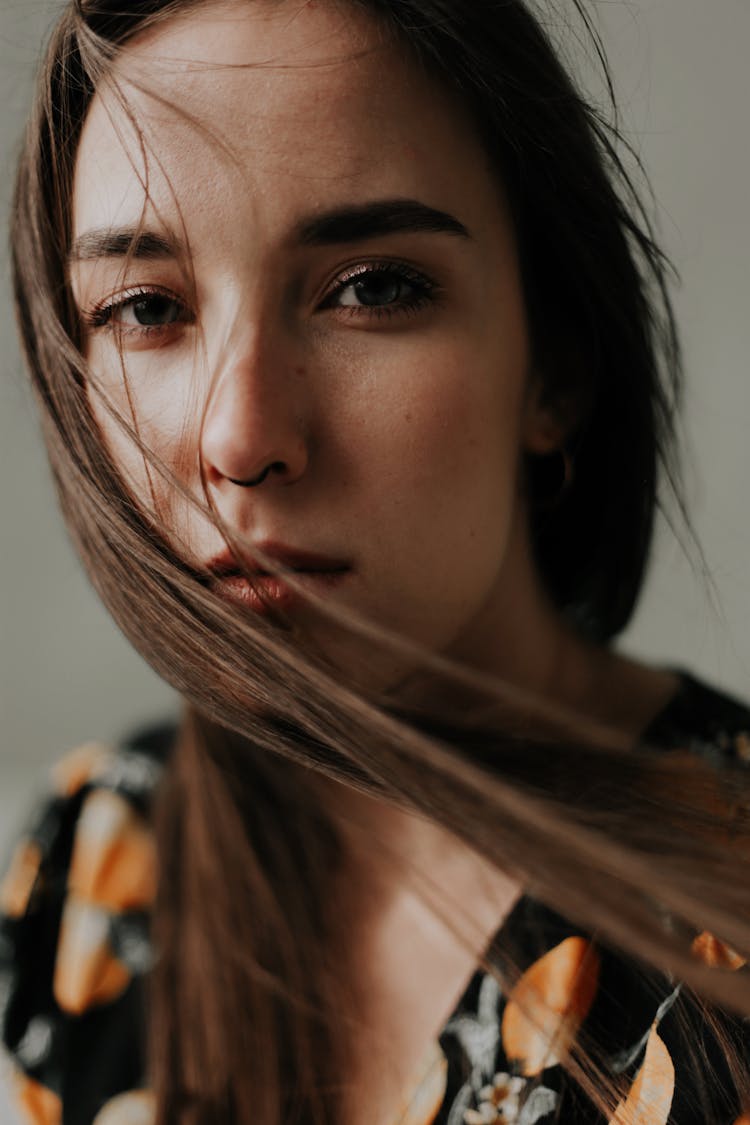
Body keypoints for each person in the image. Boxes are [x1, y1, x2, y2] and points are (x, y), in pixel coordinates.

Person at [1, 1, 750, 1123]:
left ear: (556, 367)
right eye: (147, 308)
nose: (239, 440)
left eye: (373, 289)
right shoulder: (89, 867)